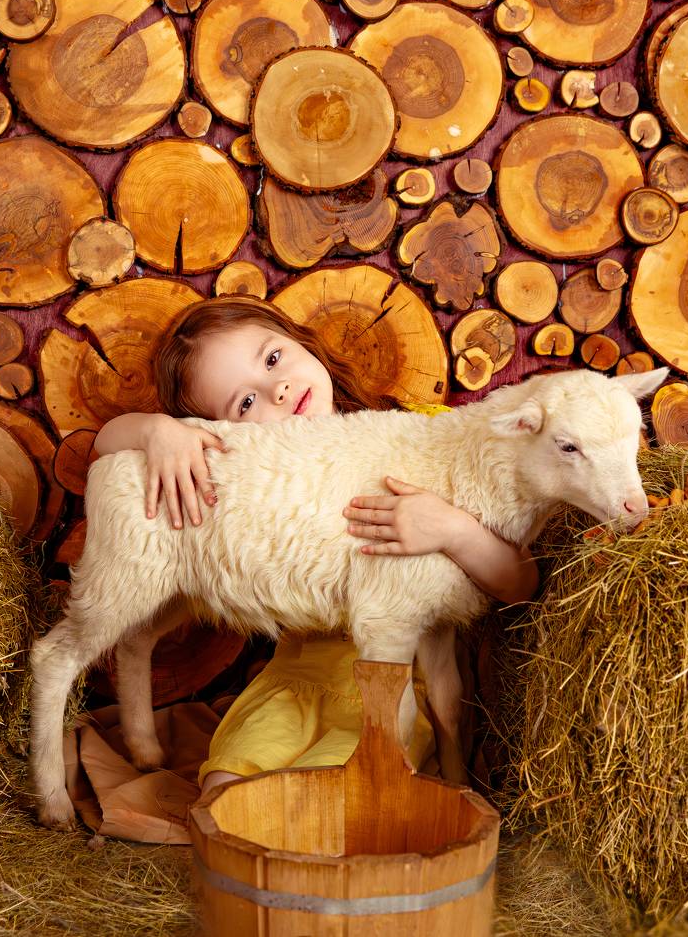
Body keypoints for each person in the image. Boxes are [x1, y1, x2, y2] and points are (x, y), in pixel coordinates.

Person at [90, 295, 538, 793]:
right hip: (296, 681)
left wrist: (454, 529)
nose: (277, 389)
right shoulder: (260, 478)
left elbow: (520, 583)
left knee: (328, 792)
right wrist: (157, 431)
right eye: (245, 403)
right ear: (228, 436)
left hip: (394, 686)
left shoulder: (424, 436)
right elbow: (103, 445)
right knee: (224, 790)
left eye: (273, 358)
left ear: (302, 341)